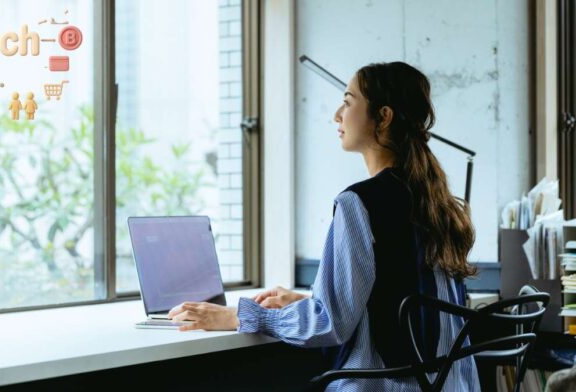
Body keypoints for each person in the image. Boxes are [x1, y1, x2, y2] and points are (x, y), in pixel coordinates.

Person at [169, 61, 480, 391]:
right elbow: (394, 294)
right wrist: (308, 300)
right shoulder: (438, 202)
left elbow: (331, 323)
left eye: (348, 101)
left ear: (384, 116)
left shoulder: (358, 203)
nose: (337, 115)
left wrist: (239, 316)